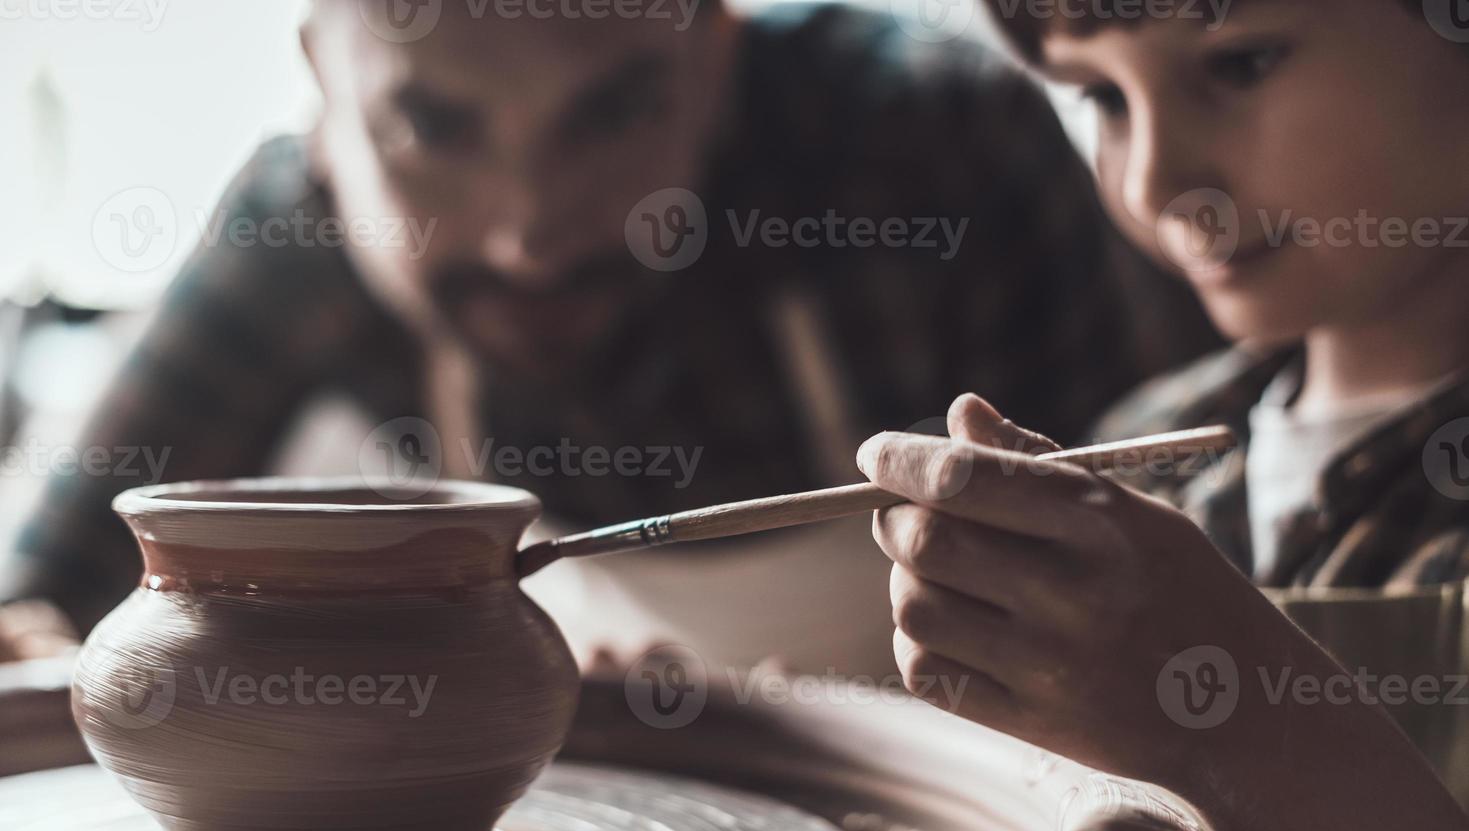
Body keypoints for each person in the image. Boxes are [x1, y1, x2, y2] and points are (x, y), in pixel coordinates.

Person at [0, 0, 1212, 658]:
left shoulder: (935, 143)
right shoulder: (294, 234)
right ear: (326, 87)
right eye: (432, 127)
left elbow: (1187, 549)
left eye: (614, 114)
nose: (532, 235)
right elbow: (44, 602)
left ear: (717, 51)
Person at [856, 1, 1469, 831]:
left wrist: (1235, 720)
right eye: (1101, 96)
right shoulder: (1148, 445)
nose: (1155, 178)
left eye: (1239, 64)